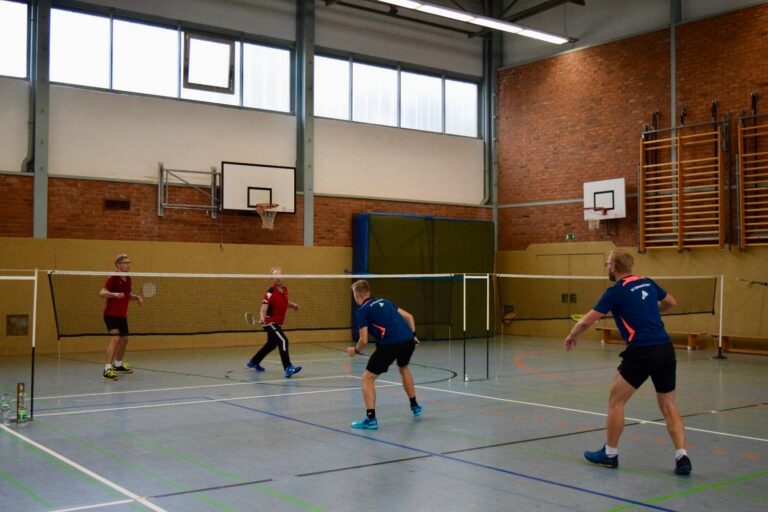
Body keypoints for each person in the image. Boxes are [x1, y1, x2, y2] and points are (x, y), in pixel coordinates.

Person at [564, 249, 692, 475]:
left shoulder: (615, 292)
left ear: (614, 267)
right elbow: (671, 302)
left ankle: (610, 454)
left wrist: (572, 335)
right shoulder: (648, 282)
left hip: (641, 351)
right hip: (665, 349)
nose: (608, 267)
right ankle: (682, 457)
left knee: (616, 401)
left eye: (608, 264)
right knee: (669, 406)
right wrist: (649, 310)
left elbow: (586, 321)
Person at [346, 279, 422, 430]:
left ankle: (370, 419)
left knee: (367, 378)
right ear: (368, 292)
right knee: (403, 367)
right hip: (408, 341)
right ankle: (415, 406)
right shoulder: (385, 302)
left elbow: (363, 340)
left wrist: (355, 350)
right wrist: (413, 335)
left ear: (357, 295)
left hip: (390, 345)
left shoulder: (362, 311)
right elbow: (409, 317)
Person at [246, 267, 302, 378]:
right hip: (270, 322)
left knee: (271, 345)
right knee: (283, 340)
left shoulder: (284, 290)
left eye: (280, 276)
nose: (278, 278)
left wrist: (293, 305)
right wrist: (262, 316)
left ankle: (254, 361)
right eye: (275, 276)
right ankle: (288, 367)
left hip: (278, 323)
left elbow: (283, 303)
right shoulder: (270, 292)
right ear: (272, 279)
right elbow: (263, 308)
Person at [99, 254, 143, 381]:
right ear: (118, 265)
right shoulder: (113, 277)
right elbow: (102, 292)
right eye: (125, 263)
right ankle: (107, 370)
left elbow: (126, 295)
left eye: (129, 262)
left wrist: (136, 297)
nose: (128, 265)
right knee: (115, 339)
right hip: (111, 315)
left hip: (122, 316)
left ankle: (118, 366)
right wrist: (114, 294)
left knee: (124, 340)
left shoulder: (128, 279)